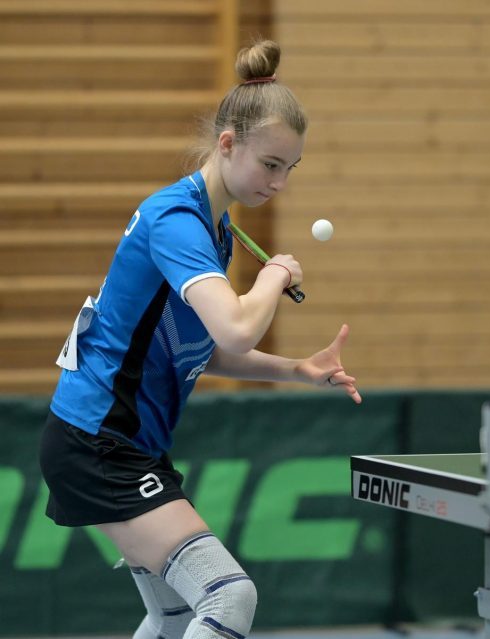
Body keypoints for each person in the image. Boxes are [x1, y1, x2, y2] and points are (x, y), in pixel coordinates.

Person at [38, 39, 360, 639]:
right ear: (228, 143)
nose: (280, 184)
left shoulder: (214, 232)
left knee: (176, 616)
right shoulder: (176, 221)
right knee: (228, 597)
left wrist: (297, 369)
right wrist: (275, 275)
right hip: (97, 440)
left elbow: (204, 348)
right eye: (270, 164)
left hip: (126, 441)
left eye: (291, 169)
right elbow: (237, 322)